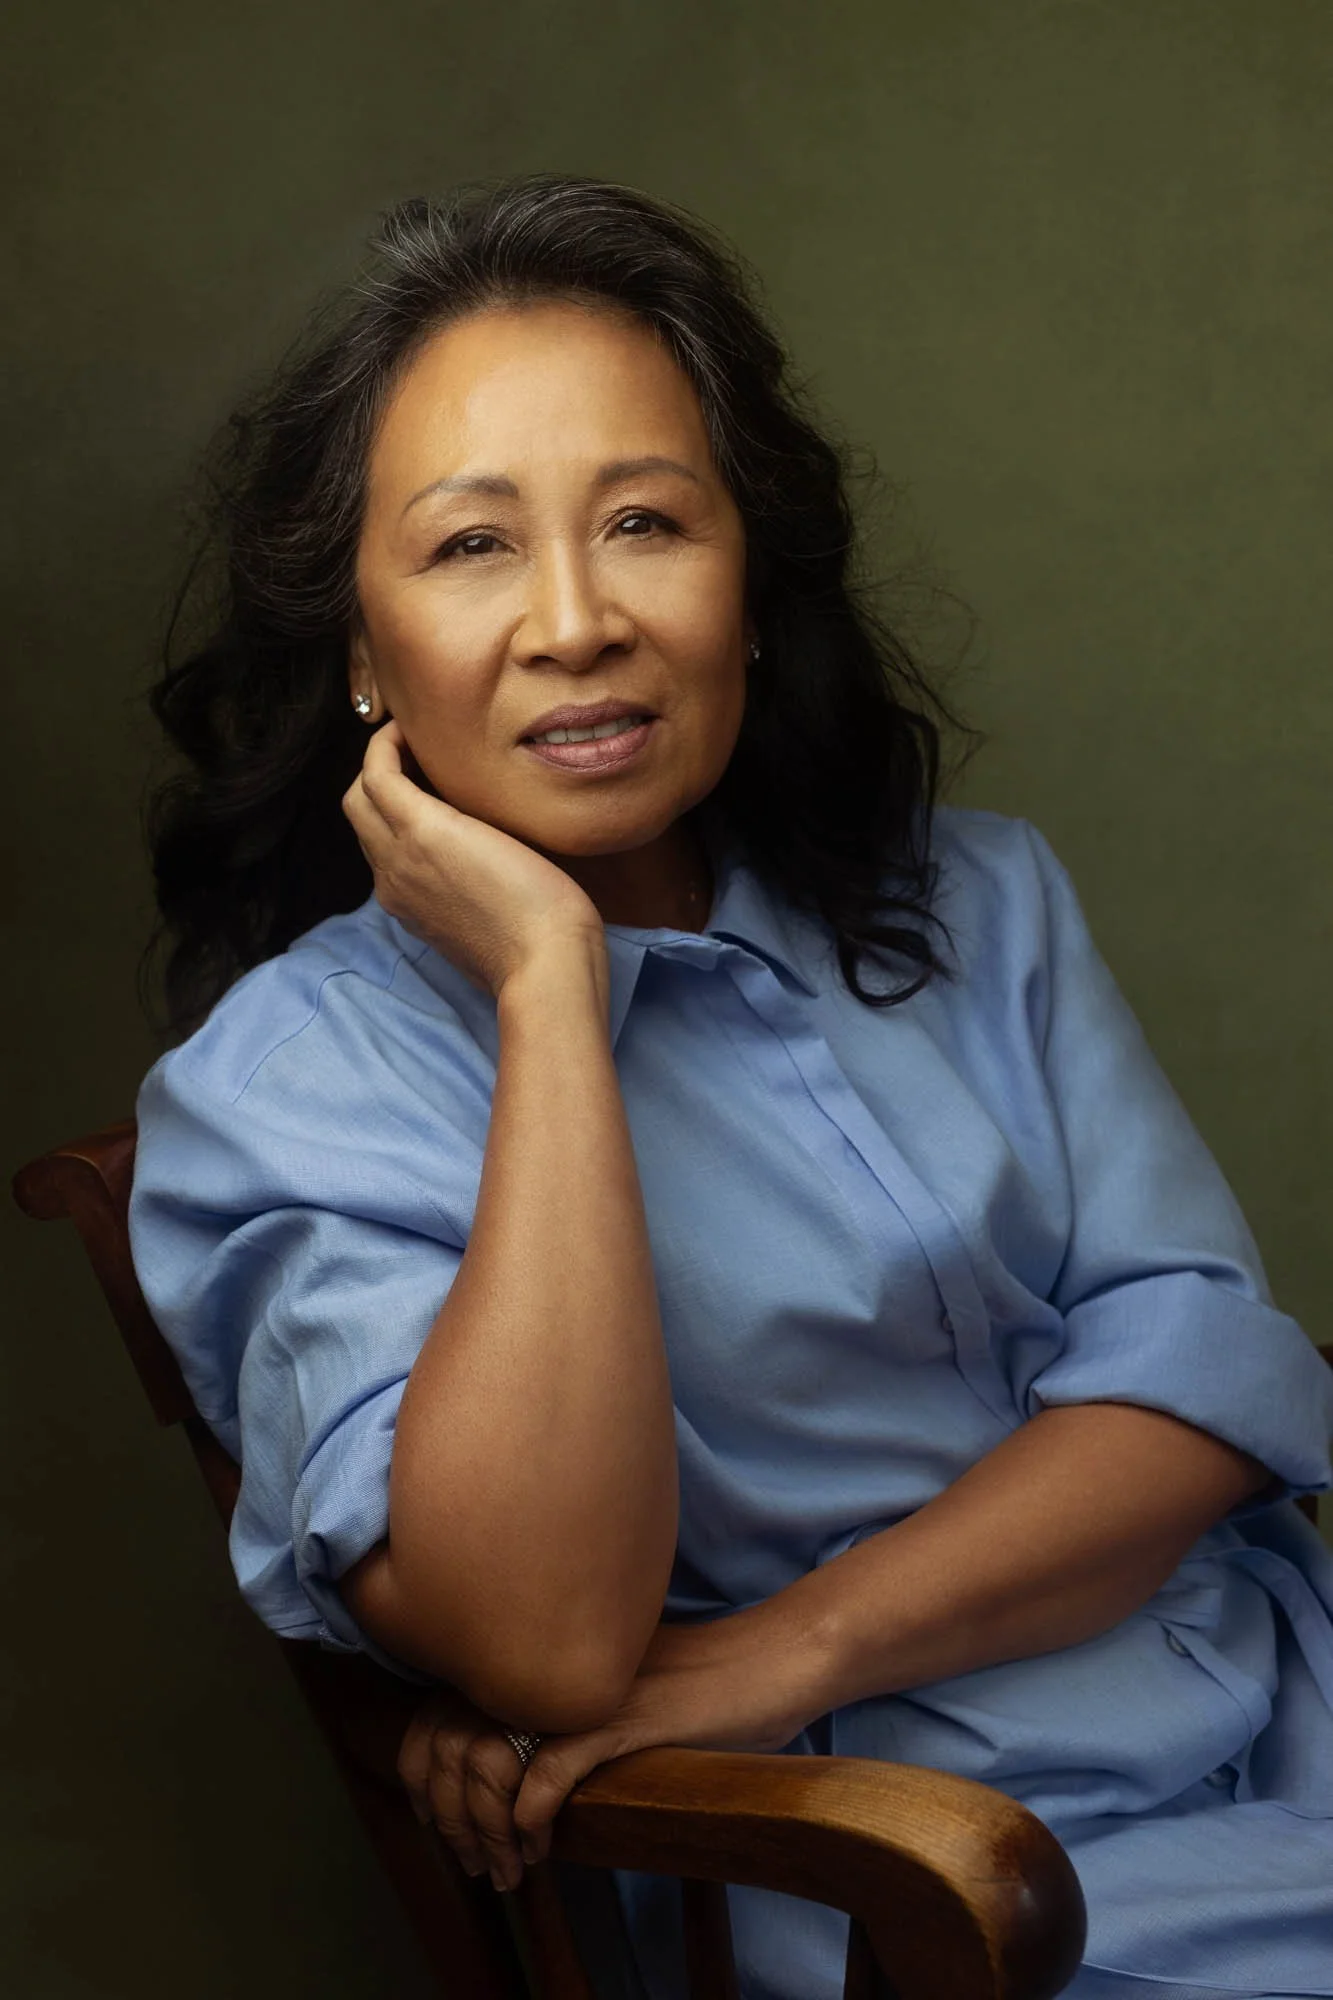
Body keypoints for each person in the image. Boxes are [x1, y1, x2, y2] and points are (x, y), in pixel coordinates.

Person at [127, 174, 1333, 2000]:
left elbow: (1205, 1372)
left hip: (1279, 1711)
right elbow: (541, 1637)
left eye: (644, 523)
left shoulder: (975, 898)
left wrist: (784, 1646)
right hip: (911, 1889)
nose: (577, 620)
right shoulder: (282, 1096)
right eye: (471, 547)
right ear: (364, 651)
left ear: (748, 587)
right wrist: (546, 989)